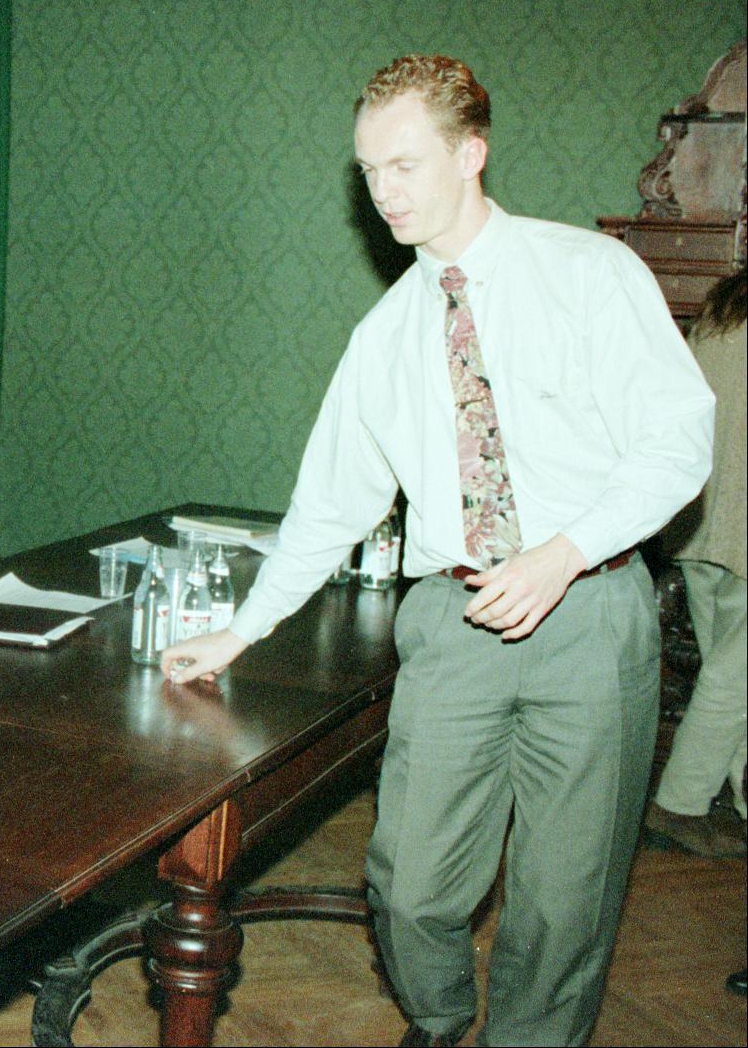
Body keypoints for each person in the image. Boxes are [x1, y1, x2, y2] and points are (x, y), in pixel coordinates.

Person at [160, 55, 714, 1046]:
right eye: (368, 171)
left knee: (564, 899)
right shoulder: (384, 335)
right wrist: (240, 631)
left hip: (590, 611)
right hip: (452, 622)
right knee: (407, 885)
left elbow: (679, 442)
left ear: (470, 153)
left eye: (404, 165)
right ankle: (441, 1016)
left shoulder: (588, 273)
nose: (384, 193)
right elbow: (328, 505)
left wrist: (560, 553)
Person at [645, 268, 746, 858]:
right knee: (732, 682)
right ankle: (678, 804)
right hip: (740, 525)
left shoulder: (717, 315)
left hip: (701, 521)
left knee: (727, 681)